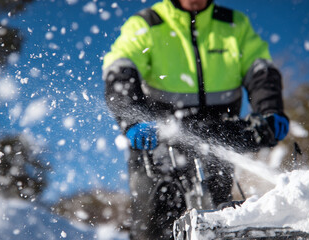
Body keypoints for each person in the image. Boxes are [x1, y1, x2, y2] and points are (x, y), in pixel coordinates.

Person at [102, 0, 289, 239]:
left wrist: (269, 110)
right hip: (156, 140)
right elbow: (120, 70)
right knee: (152, 226)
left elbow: (260, 71)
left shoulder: (233, 24)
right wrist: (132, 119)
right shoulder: (148, 23)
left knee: (219, 224)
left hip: (218, 135)